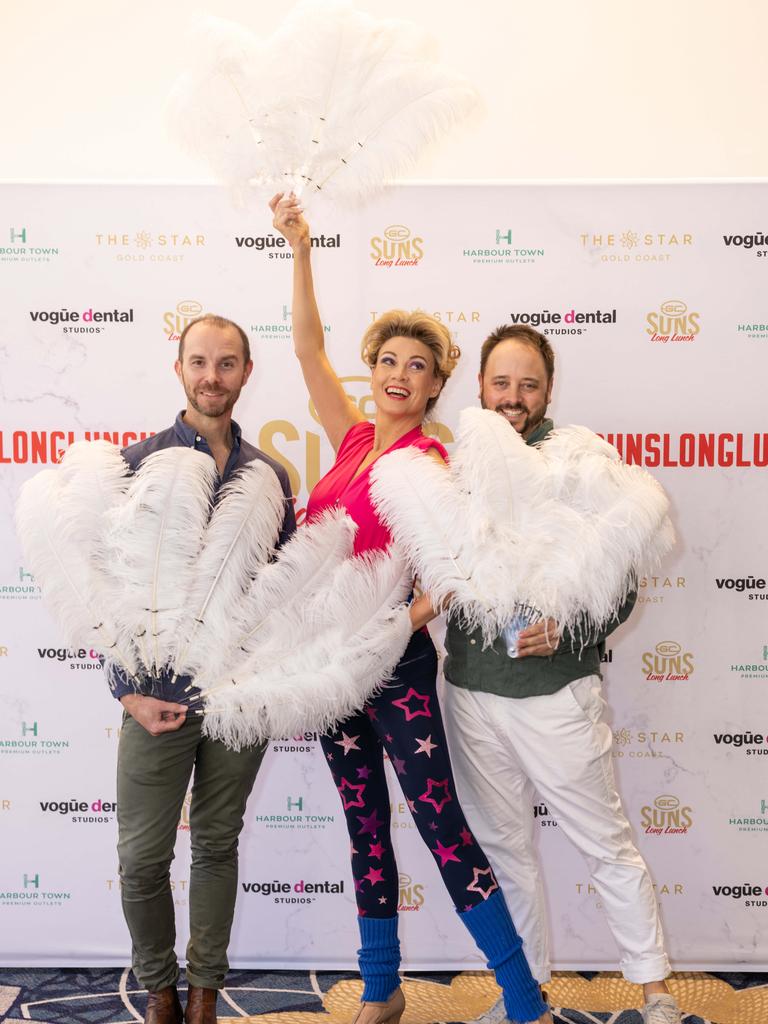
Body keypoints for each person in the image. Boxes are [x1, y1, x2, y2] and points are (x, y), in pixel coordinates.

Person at [271, 194, 552, 1024]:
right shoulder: (353, 437)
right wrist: (301, 248)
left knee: (441, 829)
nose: (398, 374)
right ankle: (382, 988)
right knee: (364, 825)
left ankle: (522, 993)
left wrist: (401, 622)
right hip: (330, 662)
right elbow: (306, 346)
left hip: (393, 665)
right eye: (387, 360)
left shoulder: (436, 463)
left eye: (416, 366)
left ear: (434, 385)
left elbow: (459, 573)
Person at [440, 324, 681, 1024]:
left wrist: (569, 627)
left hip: (554, 696)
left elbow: (621, 580)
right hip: (469, 693)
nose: (513, 397)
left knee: (606, 845)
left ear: (549, 391)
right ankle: (526, 997)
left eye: (529, 384)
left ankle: (656, 991)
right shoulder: (455, 463)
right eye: (500, 382)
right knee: (505, 851)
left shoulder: (580, 463)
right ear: (479, 386)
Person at [110, 315, 296, 1024]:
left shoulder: (270, 477)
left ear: (247, 372)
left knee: (217, 845)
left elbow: (277, 591)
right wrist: (126, 690)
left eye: (226, 363)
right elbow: (109, 592)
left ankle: (203, 997)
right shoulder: (137, 465)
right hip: (155, 697)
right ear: (178, 368)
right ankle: (158, 989)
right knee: (141, 858)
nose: (211, 376)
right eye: (199, 362)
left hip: (238, 699)